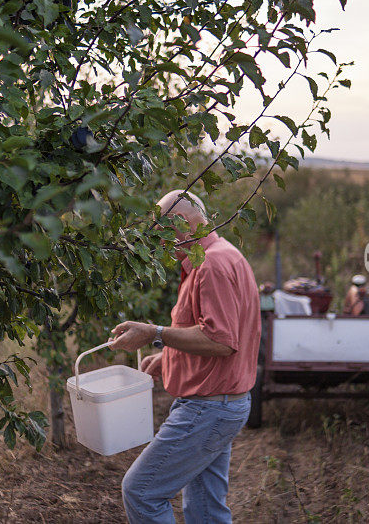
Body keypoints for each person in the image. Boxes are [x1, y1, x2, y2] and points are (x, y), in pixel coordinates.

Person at [108, 189, 260, 524]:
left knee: (141, 492)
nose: (158, 240)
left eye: (162, 231)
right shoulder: (220, 255)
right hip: (220, 402)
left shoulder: (212, 265)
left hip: (209, 407)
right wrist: (170, 358)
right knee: (206, 508)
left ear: (181, 224)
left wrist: (156, 334)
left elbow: (221, 341)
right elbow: (215, 332)